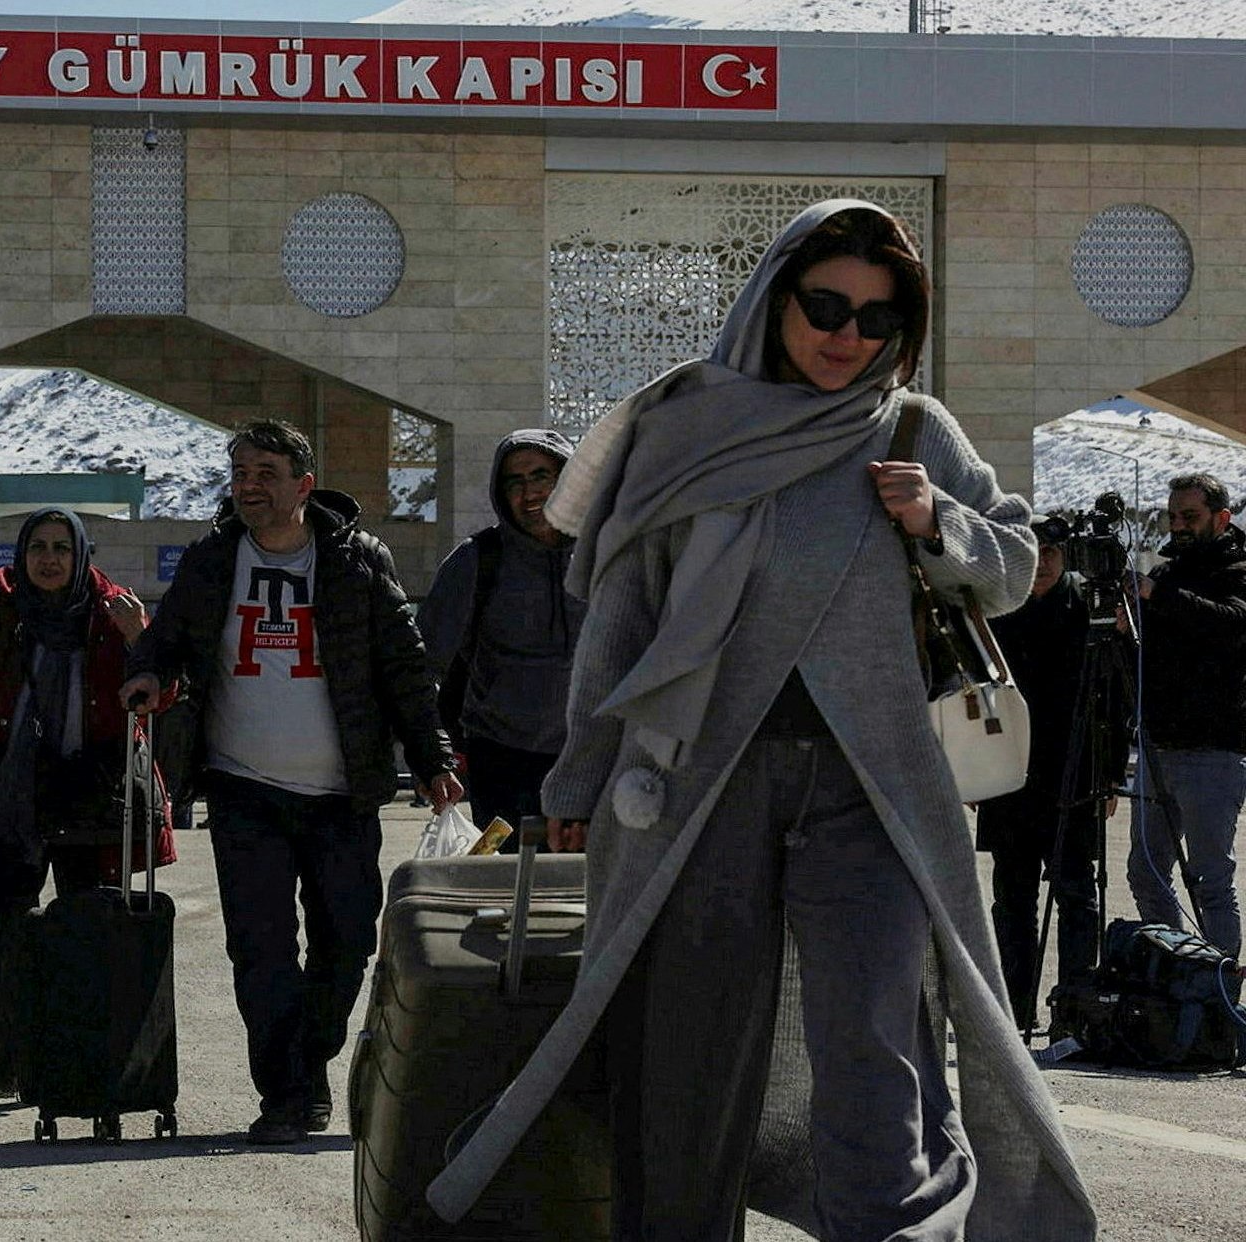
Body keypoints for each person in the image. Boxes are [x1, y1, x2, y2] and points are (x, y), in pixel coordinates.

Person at [432, 201, 1095, 1239]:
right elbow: (620, 620)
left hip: (871, 791)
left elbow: (1014, 567)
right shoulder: (685, 425)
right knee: (685, 1054)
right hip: (695, 784)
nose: (848, 335)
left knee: (876, 1050)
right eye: (825, 306)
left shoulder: (912, 429)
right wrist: (579, 780)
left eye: (878, 319)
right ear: (774, 299)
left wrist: (937, 519)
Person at [120, 420, 461, 1146]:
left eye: (266, 473)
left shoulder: (357, 560)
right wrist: (146, 672)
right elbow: (166, 637)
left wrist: (433, 758)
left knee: (347, 942)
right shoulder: (213, 560)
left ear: (304, 485)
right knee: (261, 950)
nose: (250, 486)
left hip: (342, 793)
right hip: (243, 790)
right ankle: (285, 1094)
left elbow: (404, 666)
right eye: (241, 472)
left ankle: (309, 1062)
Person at [0, 507, 171, 1100]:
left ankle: (80, 1059)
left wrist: (140, 639)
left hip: (92, 799)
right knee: (2, 929)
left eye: (61, 549)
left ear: (81, 555)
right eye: (38, 548)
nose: (49, 559)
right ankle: (5, 1065)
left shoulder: (114, 613)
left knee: (86, 928)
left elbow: (164, 695)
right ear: (22, 556)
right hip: (10, 798)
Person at [978, 519, 1132, 1034]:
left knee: (1077, 894)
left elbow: (1114, 701)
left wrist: (1110, 772)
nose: (1042, 562)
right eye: (1033, 550)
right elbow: (971, 695)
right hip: (1010, 776)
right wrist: (973, 771)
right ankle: (1014, 1010)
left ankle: (1074, 1012)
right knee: (1012, 899)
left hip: (1075, 772)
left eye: (1051, 551)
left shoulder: (1087, 612)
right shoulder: (997, 609)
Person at [417, 427, 584, 835]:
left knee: (590, 877)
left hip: (593, 761)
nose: (529, 492)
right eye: (515, 482)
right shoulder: (476, 561)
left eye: (541, 476)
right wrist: (429, 756)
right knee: (507, 875)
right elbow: (419, 667)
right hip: (501, 765)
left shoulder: (605, 555)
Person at [1126, 472, 1246, 959]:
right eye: (1173, 517)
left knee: (1210, 881)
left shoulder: (1237, 570)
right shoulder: (1166, 572)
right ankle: (1176, 973)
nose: (1178, 526)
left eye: (1190, 517)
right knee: (1145, 872)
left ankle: (1216, 990)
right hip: (1158, 746)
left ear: (1222, 518)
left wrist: (1157, 597)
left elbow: (1230, 622)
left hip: (1212, 751)